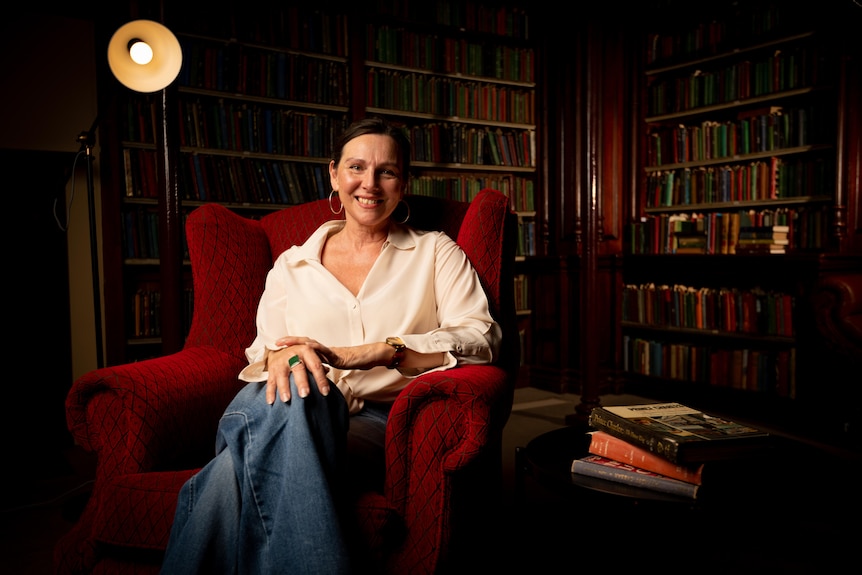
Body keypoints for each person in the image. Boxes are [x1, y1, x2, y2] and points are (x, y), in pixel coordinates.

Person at [161, 117, 502, 574]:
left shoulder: (435, 252)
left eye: (387, 171)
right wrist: (282, 355)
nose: (369, 184)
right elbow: (264, 355)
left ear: (404, 182)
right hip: (285, 401)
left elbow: (482, 337)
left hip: (378, 420)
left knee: (226, 475)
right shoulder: (291, 265)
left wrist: (384, 350)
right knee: (296, 394)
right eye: (356, 167)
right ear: (334, 175)